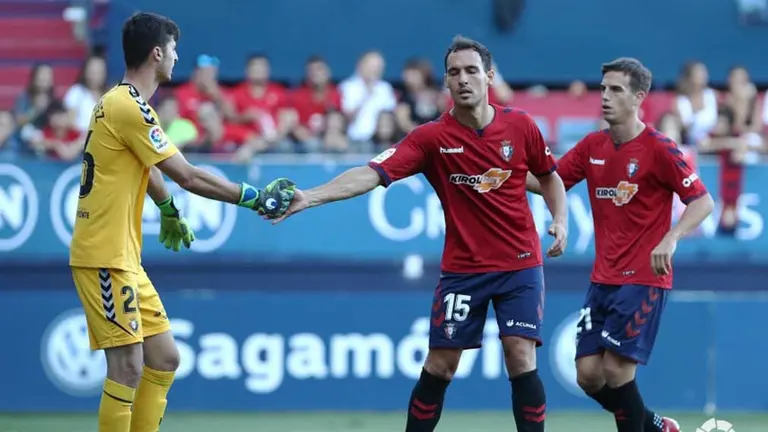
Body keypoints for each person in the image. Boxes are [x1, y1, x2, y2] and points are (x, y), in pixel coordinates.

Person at [268, 35, 568, 432]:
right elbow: (370, 173)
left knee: (520, 356)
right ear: (445, 82)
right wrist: (311, 197)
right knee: (441, 365)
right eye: (454, 73)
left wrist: (560, 219)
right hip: (464, 270)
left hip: (520, 265)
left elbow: (550, 177)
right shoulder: (431, 138)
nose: (463, 79)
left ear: (489, 76)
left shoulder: (521, 126)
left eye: (472, 71)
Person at [68, 12, 295, 432]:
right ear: (157, 53)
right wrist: (253, 197)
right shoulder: (128, 105)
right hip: (104, 253)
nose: (177, 57)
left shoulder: (122, 104)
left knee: (165, 358)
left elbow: (148, 166)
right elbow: (187, 174)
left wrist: (167, 209)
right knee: (127, 367)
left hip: (124, 256)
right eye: (173, 49)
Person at [526, 58, 714, 432]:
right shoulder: (592, 145)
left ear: (638, 98)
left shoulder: (659, 148)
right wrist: (501, 170)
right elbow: (552, 181)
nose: (605, 97)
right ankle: (658, 426)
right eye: (603, 89)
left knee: (615, 370)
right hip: (604, 279)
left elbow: (703, 201)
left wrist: (671, 238)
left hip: (644, 276)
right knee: (588, 376)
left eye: (616, 90)